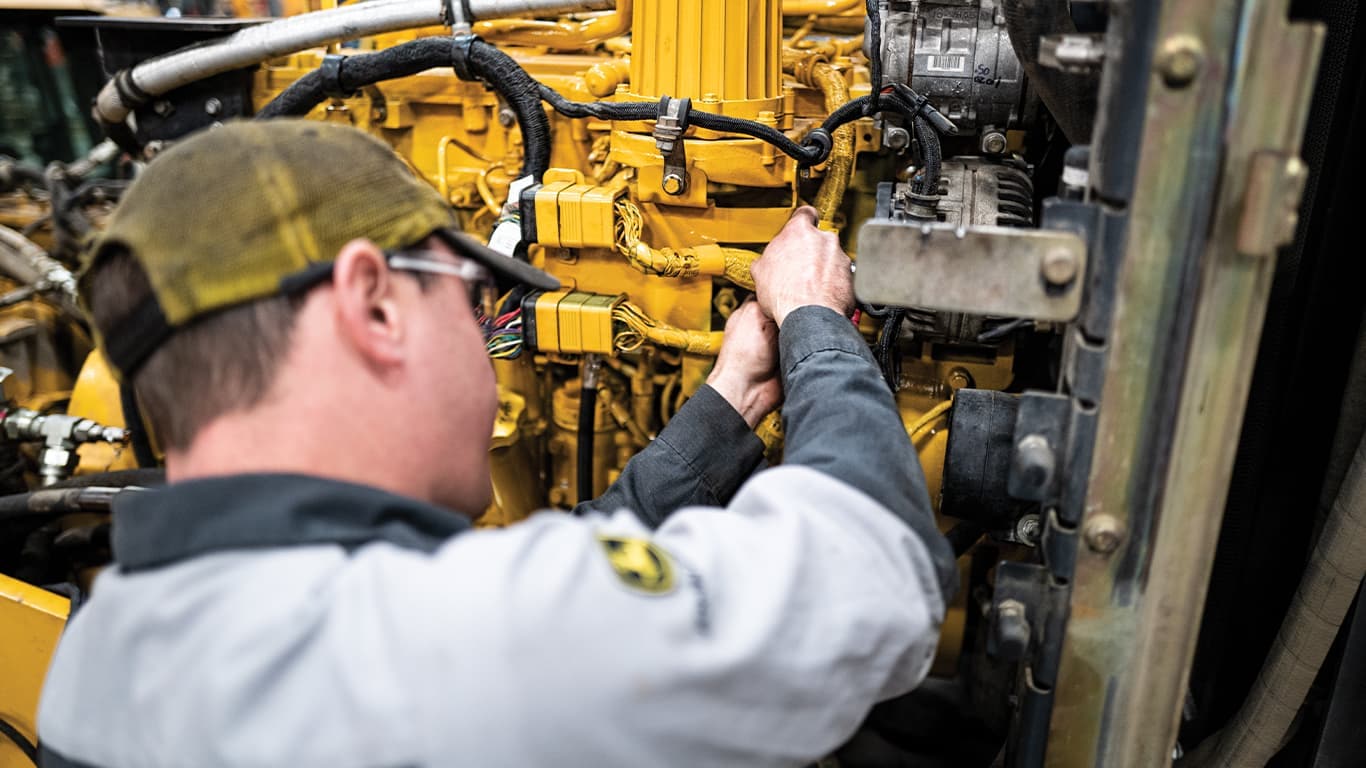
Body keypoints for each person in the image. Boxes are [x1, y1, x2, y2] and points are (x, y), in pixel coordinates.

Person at [37, 120, 954, 768]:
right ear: (375, 305)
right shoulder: (448, 649)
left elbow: (529, 600)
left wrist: (726, 402)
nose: (492, 341)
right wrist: (814, 322)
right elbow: (869, 569)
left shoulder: (99, 657)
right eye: (474, 304)